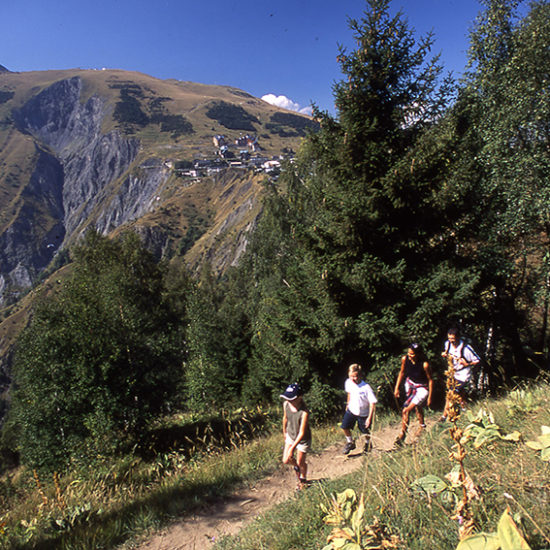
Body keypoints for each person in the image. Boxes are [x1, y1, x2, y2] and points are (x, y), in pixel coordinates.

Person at [393, 343, 433, 446]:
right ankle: (422, 426)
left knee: (406, 409)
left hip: (422, 388)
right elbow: (401, 372)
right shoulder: (404, 359)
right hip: (410, 384)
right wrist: (396, 388)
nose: (410, 356)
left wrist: (429, 397)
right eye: (409, 353)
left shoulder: (424, 364)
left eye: (412, 354)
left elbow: (430, 380)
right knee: (416, 406)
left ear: (418, 354)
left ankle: (402, 434)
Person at [440, 327, 480, 421]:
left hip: (464, 373)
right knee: (460, 394)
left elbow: (477, 360)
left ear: (458, 337)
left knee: (451, 393)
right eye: (449, 339)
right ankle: (465, 410)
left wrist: (467, 364)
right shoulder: (448, 344)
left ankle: (444, 416)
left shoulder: (466, 348)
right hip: (453, 372)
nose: (451, 342)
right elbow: (446, 352)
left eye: (453, 339)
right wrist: (444, 354)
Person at [341, 363, 377, 455]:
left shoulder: (366, 387)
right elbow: (349, 393)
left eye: (356, 376)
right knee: (344, 426)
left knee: (364, 431)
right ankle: (350, 442)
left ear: (360, 375)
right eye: (352, 376)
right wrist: (348, 404)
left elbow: (372, 403)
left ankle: (368, 444)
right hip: (352, 410)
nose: (354, 379)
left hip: (363, 413)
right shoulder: (348, 382)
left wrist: (369, 418)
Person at [280, 383, 311, 490]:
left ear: (299, 398)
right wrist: (284, 432)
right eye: (287, 398)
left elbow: (302, 433)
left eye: (291, 399)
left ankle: (303, 480)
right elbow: (285, 418)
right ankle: (297, 467)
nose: (288, 401)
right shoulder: (286, 405)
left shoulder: (304, 412)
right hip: (291, 434)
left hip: (302, 440)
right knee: (286, 459)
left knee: (300, 461)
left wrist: (292, 448)